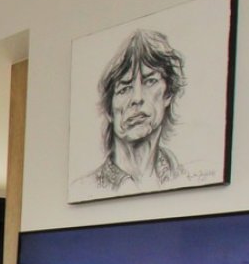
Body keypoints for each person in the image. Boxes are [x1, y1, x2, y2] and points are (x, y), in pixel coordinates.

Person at [71, 29, 190, 200]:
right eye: (124, 88)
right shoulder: (83, 189)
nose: (137, 98)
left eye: (150, 81)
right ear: (109, 110)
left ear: (168, 94)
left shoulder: (187, 176)